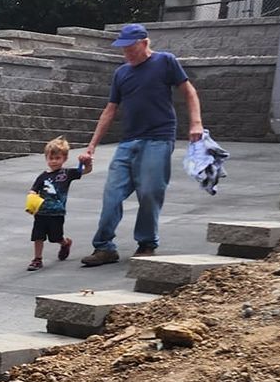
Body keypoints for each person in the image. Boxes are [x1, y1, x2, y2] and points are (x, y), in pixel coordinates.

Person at [78, 22, 203, 266]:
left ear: (144, 43)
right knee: (112, 194)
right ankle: (104, 247)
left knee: (149, 192)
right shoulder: (121, 73)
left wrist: (195, 123)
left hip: (158, 138)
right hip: (128, 142)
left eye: (130, 48)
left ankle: (146, 243)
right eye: (123, 49)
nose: (126, 53)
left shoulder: (165, 61)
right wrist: (92, 145)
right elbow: (110, 110)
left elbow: (189, 92)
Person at [24, 137, 90, 271]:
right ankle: (37, 259)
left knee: (55, 237)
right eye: (51, 158)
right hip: (41, 212)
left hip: (57, 212)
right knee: (38, 236)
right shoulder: (42, 176)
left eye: (57, 158)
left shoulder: (67, 173)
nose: (53, 161)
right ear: (46, 158)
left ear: (64, 158)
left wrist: (86, 162)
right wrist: (31, 199)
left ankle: (65, 243)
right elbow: (33, 189)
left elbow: (85, 171)